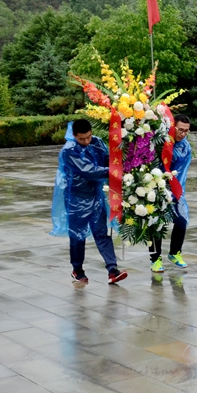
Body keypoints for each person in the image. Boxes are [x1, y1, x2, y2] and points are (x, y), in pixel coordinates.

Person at [52, 119, 125, 285]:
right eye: (81, 139)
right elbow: (88, 170)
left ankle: (112, 269)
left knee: (102, 233)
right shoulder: (69, 151)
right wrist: (114, 171)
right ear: (74, 135)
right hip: (76, 199)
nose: (86, 141)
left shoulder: (97, 143)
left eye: (88, 137)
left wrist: (121, 162)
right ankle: (77, 269)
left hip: (96, 196)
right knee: (78, 236)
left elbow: (108, 159)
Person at [150, 114, 193, 278]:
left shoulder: (186, 148)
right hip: (155, 185)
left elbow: (182, 172)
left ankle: (175, 253)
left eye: (186, 131)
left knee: (182, 220)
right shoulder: (160, 141)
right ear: (172, 127)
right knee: (156, 223)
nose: (183, 134)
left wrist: (174, 192)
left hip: (174, 187)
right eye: (180, 130)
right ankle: (155, 259)